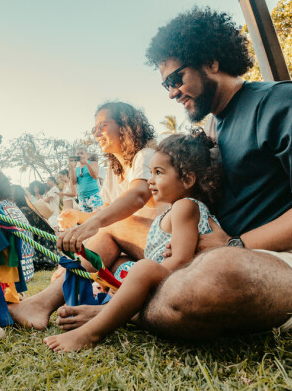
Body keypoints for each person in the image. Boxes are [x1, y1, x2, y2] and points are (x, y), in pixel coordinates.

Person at [126, 7, 292, 339]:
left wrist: (234, 244)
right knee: (111, 227)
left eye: (176, 79)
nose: (172, 92)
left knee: (217, 276)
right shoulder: (212, 128)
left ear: (212, 61)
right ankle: (69, 301)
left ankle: (124, 304)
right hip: (219, 253)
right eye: (166, 86)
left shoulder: (285, 101)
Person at [45, 129, 221, 351]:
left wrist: (140, 276)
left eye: (158, 173)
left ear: (187, 179)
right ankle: (109, 307)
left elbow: (181, 261)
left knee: (142, 268)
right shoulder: (174, 209)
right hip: (162, 279)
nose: (151, 180)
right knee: (125, 266)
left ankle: (92, 331)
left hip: (180, 281)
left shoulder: (186, 206)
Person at [5, 102, 162, 329]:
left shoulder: (145, 156)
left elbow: (138, 196)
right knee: (109, 266)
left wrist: (92, 226)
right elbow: (105, 211)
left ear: (126, 126)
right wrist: (78, 216)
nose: (95, 133)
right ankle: (103, 307)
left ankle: (39, 305)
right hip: (137, 250)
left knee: (100, 247)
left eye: (102, 125)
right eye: (94, 128)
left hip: (162, 240)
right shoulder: (114, 170)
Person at [69, 148, 103, 212]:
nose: (79, 155)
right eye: (77, 154)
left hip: (94, 195)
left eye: (82, 153)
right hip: (82, 199)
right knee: (88, 220)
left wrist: (86, 163)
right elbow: (74, 182)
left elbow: (95, 176)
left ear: (87, 155)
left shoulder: (93, 163)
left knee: (99, 216)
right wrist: (72, 168)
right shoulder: (76, 169)